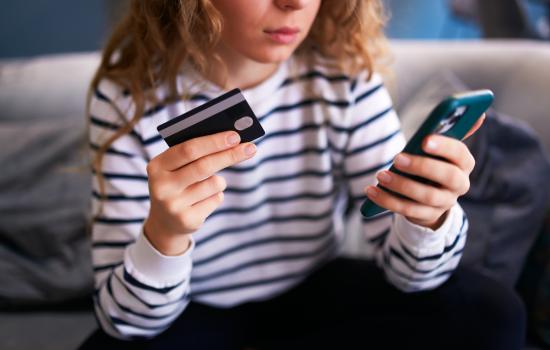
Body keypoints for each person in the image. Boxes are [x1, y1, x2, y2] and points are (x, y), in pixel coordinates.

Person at [80, 1, 525, 349]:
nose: (294, 3)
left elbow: (414, 276)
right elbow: (126, 322)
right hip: (191, 310)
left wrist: (427, 218)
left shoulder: (343, 73)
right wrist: (164, 236)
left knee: (492, 312)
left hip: (314, 294)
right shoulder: (127, 96)